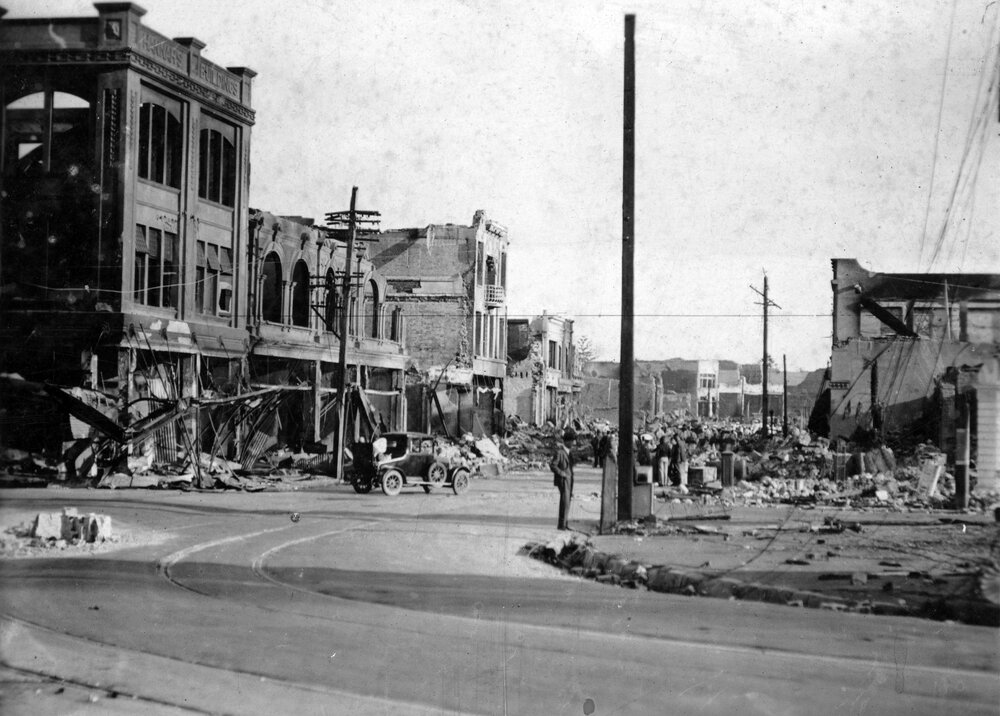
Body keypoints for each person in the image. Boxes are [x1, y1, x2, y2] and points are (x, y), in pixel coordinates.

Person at [549, 428, 576, 530]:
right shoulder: (560, 452)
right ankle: (562, 525)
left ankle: (565, 523)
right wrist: (562, 473)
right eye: (572, 441)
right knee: (564, 502)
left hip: (569, 480)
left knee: (567, 502)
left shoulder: (569, 452)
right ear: (567, 441)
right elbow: (553, 465)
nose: (574, 443)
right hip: (563, 480)